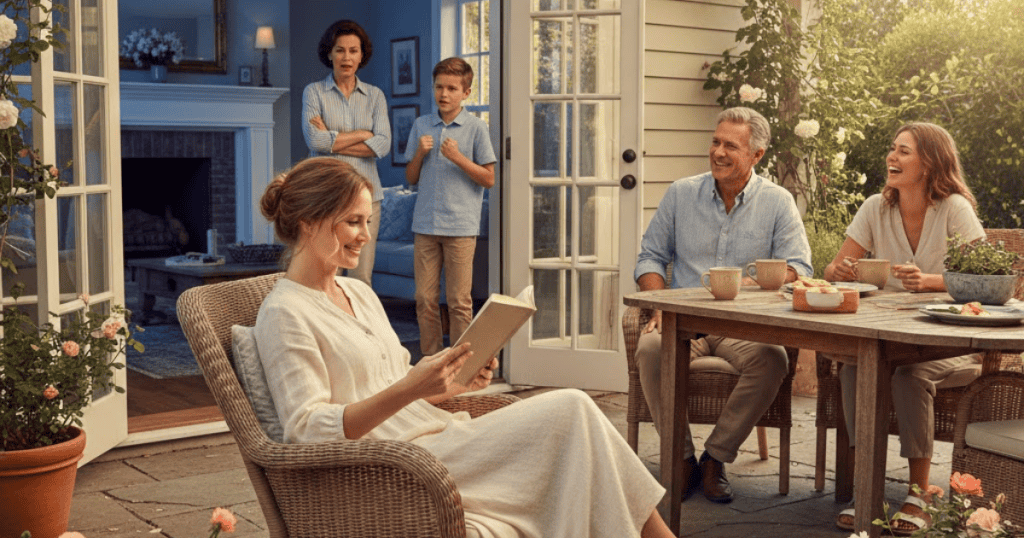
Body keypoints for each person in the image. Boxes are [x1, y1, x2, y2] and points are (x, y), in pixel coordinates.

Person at [254, 157, 675, 538]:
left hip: (443, 435)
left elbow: (400, 384)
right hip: (396, 466)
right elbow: (305, 429)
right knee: (572, 411)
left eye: (367, 221)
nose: (366, 235)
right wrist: (412, 389)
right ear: (309, 222)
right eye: (352, 222)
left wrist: (454, 386)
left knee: (578, 420)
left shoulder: (357, 293)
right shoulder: (284, 312)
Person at [633, 107, 813, 503]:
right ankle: (680, 459)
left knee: (773, 359)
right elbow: (649, 257)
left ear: (757, 155)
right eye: (716, 142)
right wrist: (661, 304)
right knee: (649, 348)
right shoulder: (681, 193)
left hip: (744, 326)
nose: (718, 151)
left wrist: (754, 283)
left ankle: (715, 457)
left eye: (731, 145)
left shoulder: (778, 202)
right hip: (684, 320)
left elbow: (799, 267)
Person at [824, 122, 985, 535]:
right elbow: (833, 268)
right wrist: (839, 270)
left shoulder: (954, 209)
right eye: (892, 149)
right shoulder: (876, 207)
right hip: (890, 336)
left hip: (950, 343)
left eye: (903, 151)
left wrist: (931, 281)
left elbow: (986, 278)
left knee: (911, 375)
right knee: (855, 368)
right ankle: (867, 487)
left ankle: (919, 493)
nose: (891, 158)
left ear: (930, 163)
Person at [404, 57, 496, 356]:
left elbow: (489, 179)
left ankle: (460, 365)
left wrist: (457, 157)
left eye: (452, 88)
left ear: (466, 93)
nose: (444, 94)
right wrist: (419, 152)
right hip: (425, 226)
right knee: (425, 299)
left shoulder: (476, 129)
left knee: (459, 302)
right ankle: (431, 363)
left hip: (460, 228)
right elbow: (410, 177)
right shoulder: (421, 125)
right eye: (439, 87)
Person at [301, 19, 390, 287]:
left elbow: (383, 145)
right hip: (327, 197)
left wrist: (333, 138)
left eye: (353, 50)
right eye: (340, 50)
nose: (346, 57)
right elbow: (314, 139)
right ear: (329, 53)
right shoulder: (314, 92)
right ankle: (325, 330)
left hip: (367, 198)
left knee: (361, 279)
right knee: (326, 275)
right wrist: (364, 135)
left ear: (362, 55)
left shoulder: (375, 96)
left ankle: (358, 330)